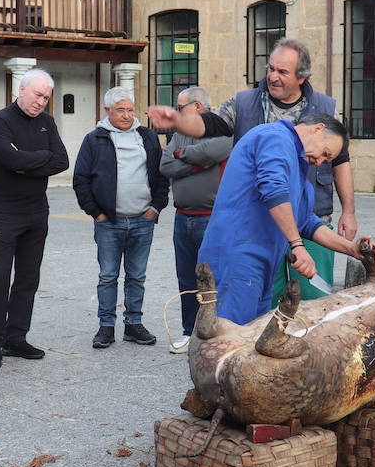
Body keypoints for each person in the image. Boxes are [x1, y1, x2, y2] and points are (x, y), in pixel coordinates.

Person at [146, 38, 358, 304]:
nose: (273, 76)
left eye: (283, 72)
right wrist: (177, 120)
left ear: (301, 77)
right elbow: (208, 125)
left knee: (311, 303)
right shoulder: (248, 105)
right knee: (255, 306)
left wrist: (349, 215)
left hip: (309, 215)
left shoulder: (325, 111)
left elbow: (340, 162)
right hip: (255, 230)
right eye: (271, 69)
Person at [198, 115, 375, 326]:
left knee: (250, 340)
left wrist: (352, 249)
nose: (320, 162)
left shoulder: (298, 169)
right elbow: (273, 190)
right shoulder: (276, 137)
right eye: (325, 153)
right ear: (318, 129)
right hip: (238, 258)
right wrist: (297, 245)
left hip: (262, 265)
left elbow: (306, 222)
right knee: (229, 340)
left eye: (326, 160)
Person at [0, 69, 69, 369]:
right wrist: (38, 158)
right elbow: (10, 159)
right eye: (37, 94)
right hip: (3, 211)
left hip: (36, 210)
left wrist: (25, 162)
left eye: (46, 97)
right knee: (0, 278)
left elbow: (62, 160)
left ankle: (16, 338)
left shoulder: (47, 122)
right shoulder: (1, 121)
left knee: (28, 278)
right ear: (22, 89)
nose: (41, 101)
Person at [73, 87, 169, 348]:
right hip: (109, 222)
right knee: (107, 275)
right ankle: (106, 326)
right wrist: (97, 213)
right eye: (120, 110)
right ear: (108, 111)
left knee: (137, 276)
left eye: (130, 109)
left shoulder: (148, 137)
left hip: (142, 219)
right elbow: (80, 179)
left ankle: (133, 324)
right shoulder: (95, 139)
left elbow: (162, 175)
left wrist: (156, 207)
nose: (127, 115)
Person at [158, 86, 232, 353]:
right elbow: (165, 166)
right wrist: (198, 163)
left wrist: (184, 157)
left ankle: (215, 331)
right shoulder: (180, 134)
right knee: (186, 278)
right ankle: (189, 331)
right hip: (182, 218)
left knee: (213, 278)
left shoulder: (223, 129)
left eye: (181, 108)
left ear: (198, 107)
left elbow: (219, 149)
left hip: (211, 219)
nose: (178, 113)